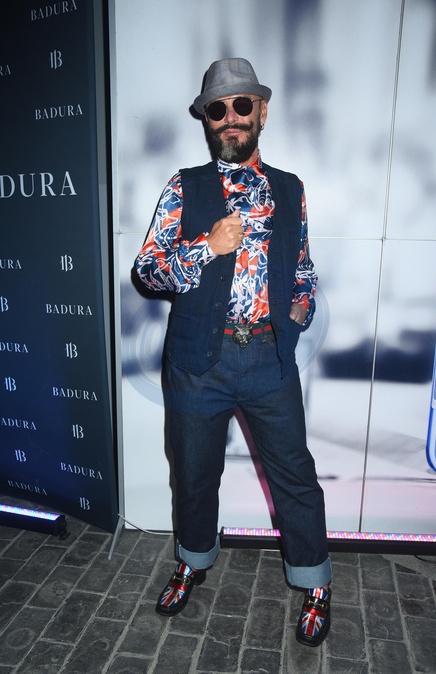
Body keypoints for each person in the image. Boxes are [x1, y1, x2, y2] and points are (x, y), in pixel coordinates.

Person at [135, 57, 332, 647]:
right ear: (207, 120)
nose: (230, 118)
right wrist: (207, 246)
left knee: (295, 476)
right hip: (198, 363)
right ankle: (192, 562)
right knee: (194, 475)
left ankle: (315, 582)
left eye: (241, 105)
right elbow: (148, 269)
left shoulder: (291, 189)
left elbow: (303, 271)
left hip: (268, 358)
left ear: (261, 112)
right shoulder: (184, 186)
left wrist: (296, 316)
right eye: (216, 109)